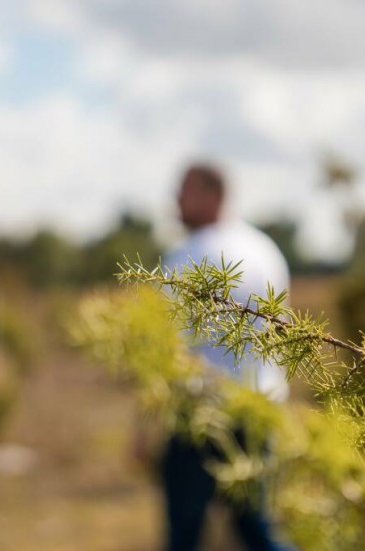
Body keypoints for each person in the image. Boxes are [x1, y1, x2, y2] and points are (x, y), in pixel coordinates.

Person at [157, 162, 294, 551]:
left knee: (184, 533)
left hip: (200, 414)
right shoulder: (266, 248)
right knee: (255, 526)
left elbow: (170, 351)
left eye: (185, 191)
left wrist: (144, 423)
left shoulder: (186, 255)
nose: (176, 202)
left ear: (212, 195)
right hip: (260, 409)